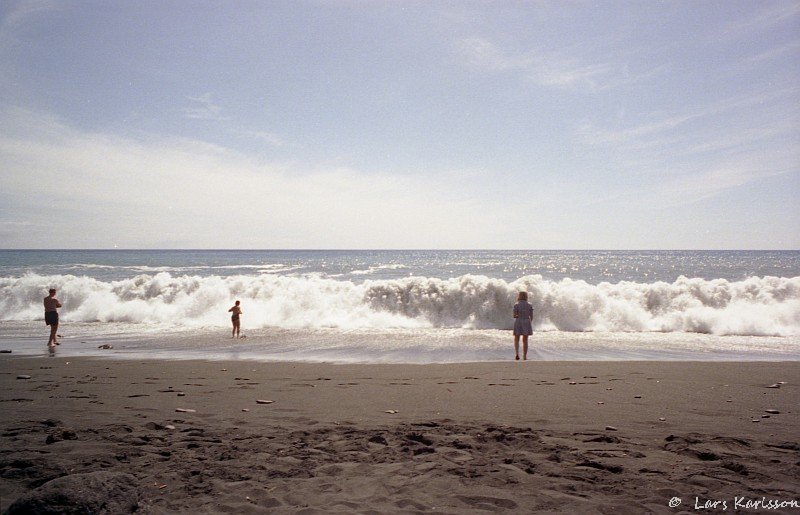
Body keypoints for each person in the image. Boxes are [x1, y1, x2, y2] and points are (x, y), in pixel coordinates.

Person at [512, 291, 533, 360]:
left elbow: (514, 315)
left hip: (518, 321)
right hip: (526, 321)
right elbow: (531, 316)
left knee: (517, 339)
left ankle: (517, 354)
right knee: (525, 340)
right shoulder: (529, 305)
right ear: (526, 296)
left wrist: (517, 315)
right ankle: (525, 356)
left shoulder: (516, 305)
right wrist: (529, 322)